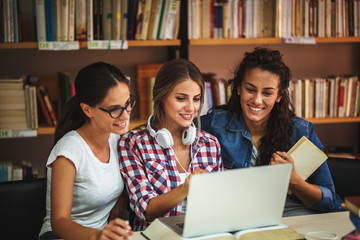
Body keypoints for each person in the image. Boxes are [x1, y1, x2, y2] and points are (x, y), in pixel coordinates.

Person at [201, 47, 344, 217]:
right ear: (238, 87)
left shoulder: (301, 131)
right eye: (250, 89)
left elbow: (330, 202)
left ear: (279, 95)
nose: (257, 100)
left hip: (287, 218)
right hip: (229, 216)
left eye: (267, 93)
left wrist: (294, 181)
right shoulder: (213, 124)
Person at [118, 59, 223, 231]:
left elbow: (217, 205)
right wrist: (186, 188)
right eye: (181, 98)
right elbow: (145, 210)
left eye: (196, 99)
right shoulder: (133, 143)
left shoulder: (210, 144)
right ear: (161, 96)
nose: (190, 107)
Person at [39, 62, 134, 240]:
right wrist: (97, 235)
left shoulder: (117, 139)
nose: (126, 115)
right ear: (87, 109)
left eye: (128, 103)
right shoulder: (69, 151)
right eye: (115, 109)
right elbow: (59, 222)